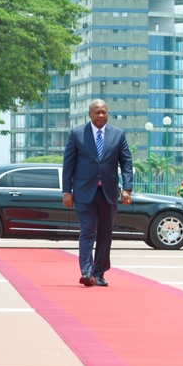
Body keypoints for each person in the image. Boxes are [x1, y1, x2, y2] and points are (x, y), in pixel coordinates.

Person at [62, 99, 134, 287]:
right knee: (87, 232)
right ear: (89, 114)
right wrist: (66, 192)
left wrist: (127, 189)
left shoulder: (118, 135)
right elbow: (68, 165)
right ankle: (86, 271)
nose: (101, 115)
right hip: (84, 193)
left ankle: (99, 273)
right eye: (97, 112)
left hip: (108, 193)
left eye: (104, 112)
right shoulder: (77, 134)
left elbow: (126, 163)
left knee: (105, 234)